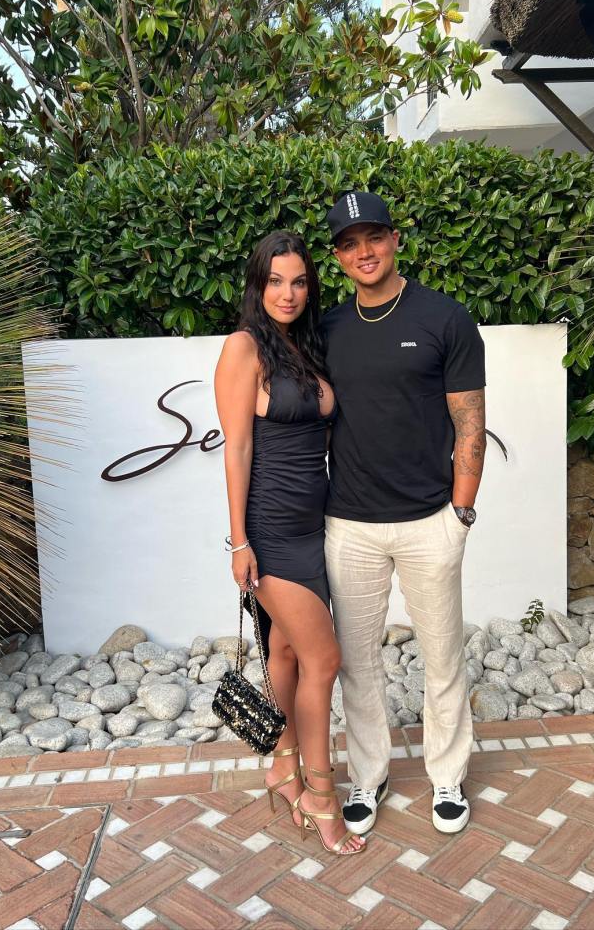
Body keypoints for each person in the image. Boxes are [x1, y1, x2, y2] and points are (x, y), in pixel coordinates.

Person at [322, 192, 487, 835]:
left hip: (429, 522)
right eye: (348, 243)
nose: (363, 252)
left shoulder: (445, 318)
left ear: (394, 239)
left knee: (442, 655)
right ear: (338, 256)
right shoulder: (328, 328)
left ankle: (447, 777)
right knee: (357, 662)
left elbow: (469, 420)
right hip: (351, 524)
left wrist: (462, 515)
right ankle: (368, 776)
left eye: (373, 238)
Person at [214, 231, 365, 856]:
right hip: (272, 531)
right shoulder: (243, 348)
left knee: (287, 651)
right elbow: (238, 448)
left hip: (317, 524)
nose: (288, 292)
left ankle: (282, 763)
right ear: (257, 285)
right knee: (324, 661)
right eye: (275, 281)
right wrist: (239, 541)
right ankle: (322, 792)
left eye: (299, 281)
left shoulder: (306, 346)